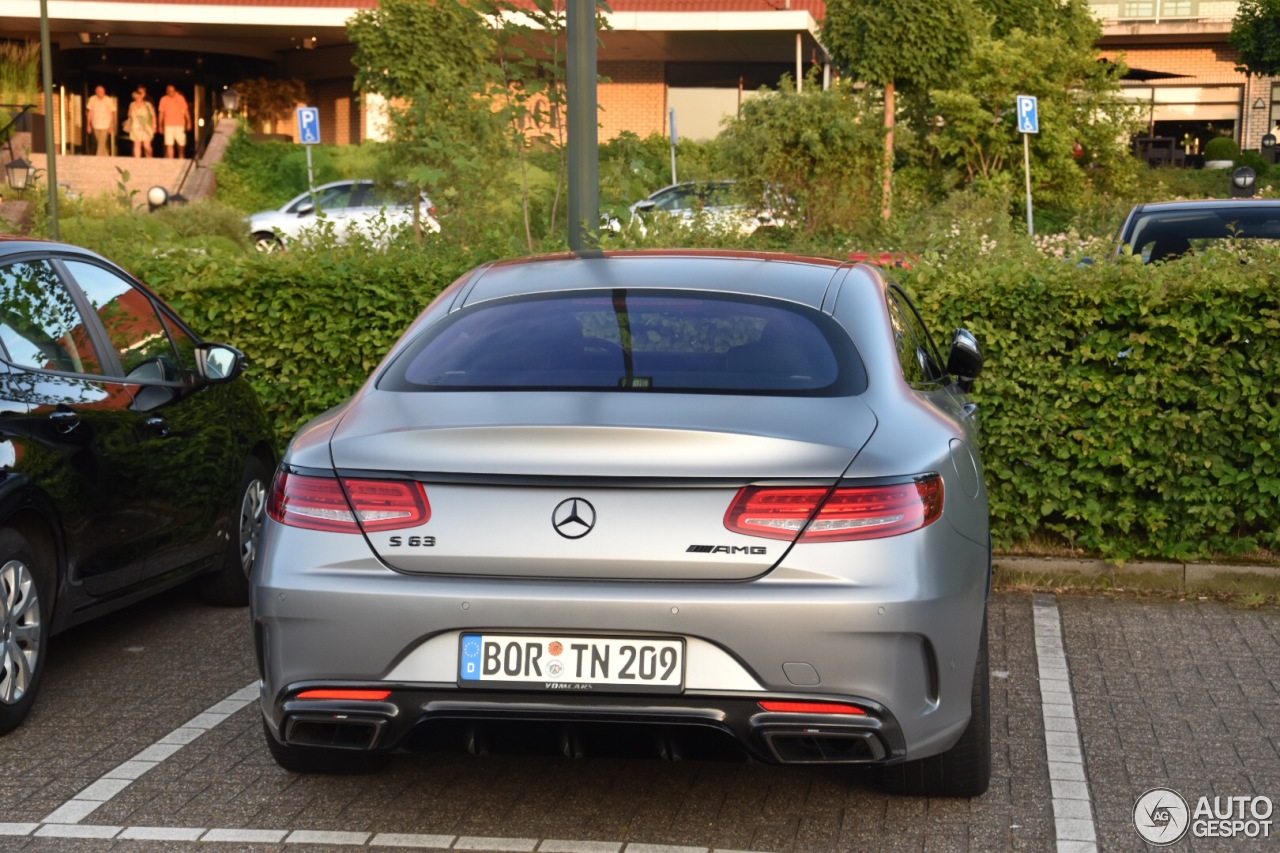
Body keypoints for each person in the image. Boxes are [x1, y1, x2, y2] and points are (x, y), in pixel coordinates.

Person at [158, 85, 191, 159]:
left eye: (172, 91)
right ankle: (171, 159)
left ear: (175, 91)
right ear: (166, 92)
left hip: (180, 124)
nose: (171, 93)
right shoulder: (163, 99)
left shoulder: (180, 98)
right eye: (169, 91)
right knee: (169, 143)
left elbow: (185, 111)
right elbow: (161, 113)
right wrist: (160, 125)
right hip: (168, 124)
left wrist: (189, 121)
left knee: (181, 143)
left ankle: (181, 157)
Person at [86, 85, 116, 157]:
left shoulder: (108, 100)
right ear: (96, 92)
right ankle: (107, 157)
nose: (101, 93)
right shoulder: (92, 99)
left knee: (101, 142)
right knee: (100, 142)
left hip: (106, 124)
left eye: (102, 91)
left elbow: (112, 113)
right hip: (95, 124)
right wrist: (88, 125)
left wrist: (112, 125)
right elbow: (90, 112)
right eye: (99, 91)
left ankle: (98, 157)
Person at [125, 87, 155, 158]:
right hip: (135, 126)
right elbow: (129, 115)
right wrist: (131, 111)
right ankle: (137, 161)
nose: (138, 98)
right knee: (137, 144)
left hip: (146, 126)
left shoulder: (148, 105)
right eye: (136, 96)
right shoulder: (132, 104)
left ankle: (150, 158)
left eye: (139, 96)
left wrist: (154, 126)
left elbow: (153, 115)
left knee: (146, 145)